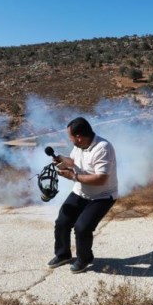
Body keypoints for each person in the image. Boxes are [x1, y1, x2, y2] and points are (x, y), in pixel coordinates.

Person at [47, 117, 118, 273]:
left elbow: (101, 179)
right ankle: (63, 254)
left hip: (102, 196)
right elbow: (73, 161)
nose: (70, 140)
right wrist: (61, 159)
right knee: (62, 221)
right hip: (81, 191)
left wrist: (73, 177)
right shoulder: (80, 146)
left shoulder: (102, 148)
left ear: (79, 136)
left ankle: (84, 258)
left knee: (82, 227)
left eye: (70, 137)